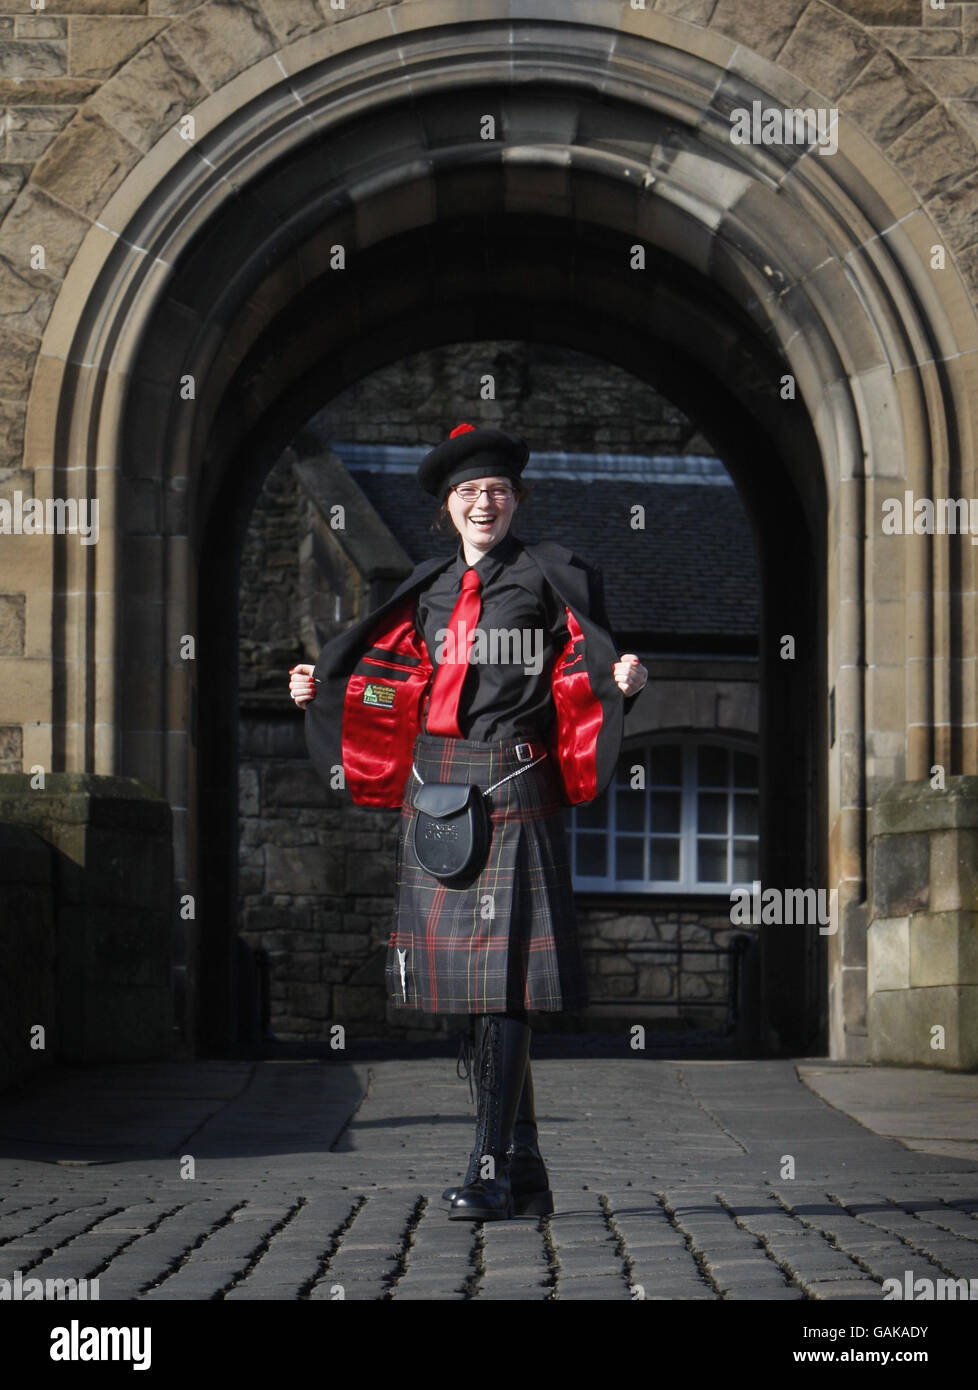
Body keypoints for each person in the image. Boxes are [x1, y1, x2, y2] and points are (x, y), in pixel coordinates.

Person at [289, 423, 648, 1220]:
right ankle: (524, 1165)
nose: (483, 503)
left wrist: (623, 677)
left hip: (514, 783)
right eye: (467, 493)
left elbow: (578, 669)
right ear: (448, 509)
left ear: (515, 500)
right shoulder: (427, 589)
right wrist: (332, 696)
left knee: (503, 985)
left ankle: (489, 1165)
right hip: (439, 790)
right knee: (468, 989)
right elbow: (398, 688)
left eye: (495, 490)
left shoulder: (549, 577)